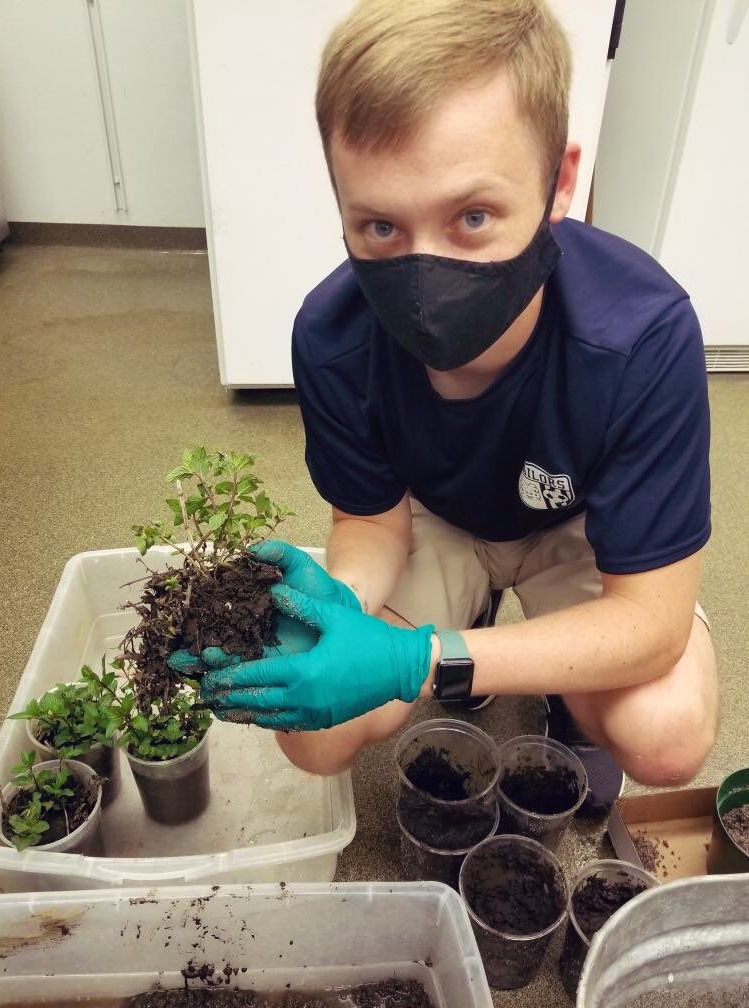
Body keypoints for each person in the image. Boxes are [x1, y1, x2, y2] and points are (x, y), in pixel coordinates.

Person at [190, 0, 719, 809]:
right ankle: (486, 633)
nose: (425, 277)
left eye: (472, 217)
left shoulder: (642, 335)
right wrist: (341, 605)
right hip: (438, 521)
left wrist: (426, 660)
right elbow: (371, 521)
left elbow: (651, 621)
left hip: (574, 530)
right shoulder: (332, 337)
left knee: (666, 727)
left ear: (559, 184)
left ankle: (549, 682)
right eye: (380, 226)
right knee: (313, 738)